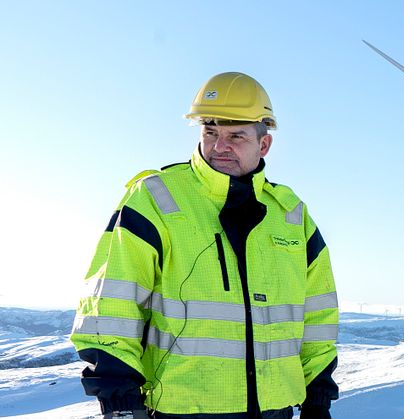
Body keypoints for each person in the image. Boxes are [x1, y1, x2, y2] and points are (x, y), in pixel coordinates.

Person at [70, 72, 339, 419]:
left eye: (236, 136)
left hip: (276, 411)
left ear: (264, 144)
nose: (218, 146)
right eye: (210, 132)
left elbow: (317, 317)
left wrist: (317, 399)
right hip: (182, 410)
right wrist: (120, 403)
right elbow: (111, 305)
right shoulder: (156, 198)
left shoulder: (291, 214)